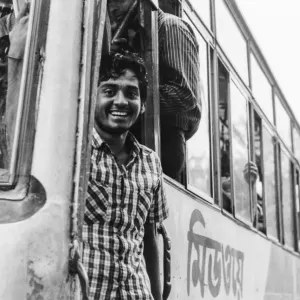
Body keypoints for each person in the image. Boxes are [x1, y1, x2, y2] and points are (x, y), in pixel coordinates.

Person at [82, 50, 168, 299]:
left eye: (131, 94)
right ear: (92, 97)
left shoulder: (151, 162)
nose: (121, 101)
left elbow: (149, 241)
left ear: (142, 106)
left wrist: (157, 295)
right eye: (109, 91)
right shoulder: (73, 153)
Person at [107, 0, 201, 181]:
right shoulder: (132, 38)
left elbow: (184, 95)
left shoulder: (171, 27)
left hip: (164, 140)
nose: (113, 8)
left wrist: (129, 93)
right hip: (133, 137)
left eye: (118, 1)